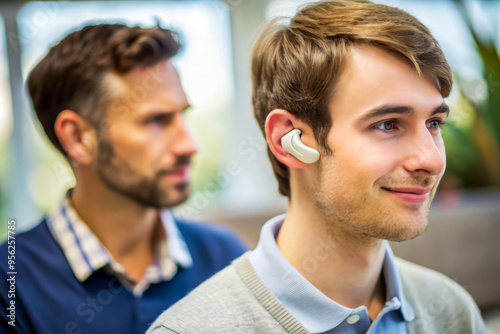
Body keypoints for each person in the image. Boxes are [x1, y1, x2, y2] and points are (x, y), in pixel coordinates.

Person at [147, 1, 487, 333]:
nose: (432, 160)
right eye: (388, 124)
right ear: (289, 141)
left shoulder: (451, 310)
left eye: (434, 124)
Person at [0, 23, 248, 333]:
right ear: (78, 137)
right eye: (155, 120)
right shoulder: (9, 287)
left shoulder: (225, 259)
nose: (188, 145)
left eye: (181, 115)